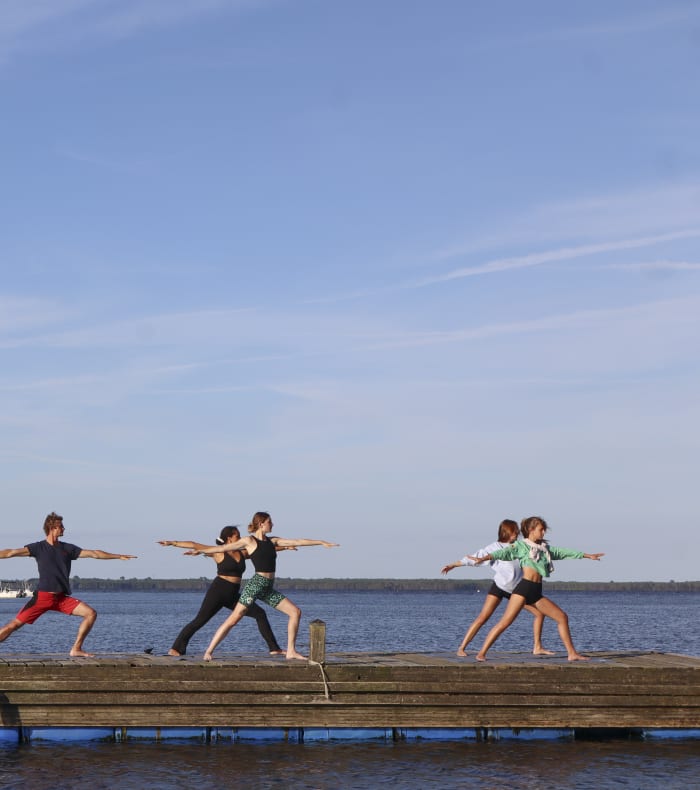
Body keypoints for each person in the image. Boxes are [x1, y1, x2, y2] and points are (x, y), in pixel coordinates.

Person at [165, 511, 338, 661]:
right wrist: (191, 548)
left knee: (290, 612)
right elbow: (216, 548)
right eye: (270, 521)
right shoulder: (246, 542)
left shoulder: (262, 545)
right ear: (261, 524)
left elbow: (296, 541)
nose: (273, 524)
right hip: (239, 587)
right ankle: (200, 650)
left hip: (255, 589)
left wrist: (320, 542)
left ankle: (285, 650)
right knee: (223, 620)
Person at [0, 512, 137, 657]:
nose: (64, 529)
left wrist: (118, 556)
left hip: (60, 599)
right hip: (43, 598)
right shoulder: (38, 548)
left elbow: (94, 554)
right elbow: (10, 553)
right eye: (61, 526)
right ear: (52, 528)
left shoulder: (67, 549)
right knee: (13, 626)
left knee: (90, 614)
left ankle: (76, 649)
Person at [468, 516, 604, 662]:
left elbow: (564, 552)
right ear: (531, 530)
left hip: (536, 592)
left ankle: (572, 654)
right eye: (541, 529)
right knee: (505, 622)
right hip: (523, 590)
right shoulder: (521, 546)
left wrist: (587, 556)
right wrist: (484, 558)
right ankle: (481, 653)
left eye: (544, 530)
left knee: (562, 617)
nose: (543, 532)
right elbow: (502, 553)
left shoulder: (544, 549)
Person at [158, 525, 288, 656]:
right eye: (237, 536)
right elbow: (194, 544)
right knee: (200, 620)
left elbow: (263, 550)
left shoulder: (242, 553)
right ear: (229, 538)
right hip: (218, 592)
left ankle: (274, 648)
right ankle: (176, 649)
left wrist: (285, 547)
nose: (240, 537)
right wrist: (173, 543)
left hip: (233, 595)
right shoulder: (218, 552)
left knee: (260, 613)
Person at [441, 519, 555, 657]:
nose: (516, 534)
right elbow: (475, 558)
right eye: (513, 532)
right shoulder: (495, 547)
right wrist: (453, 565)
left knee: (539, 614)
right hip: (499, 587)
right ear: (505, 532)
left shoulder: (521, 546)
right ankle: (462, 647)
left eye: (517, 532)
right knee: (483, 617)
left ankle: (537, 647)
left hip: (517, 591)